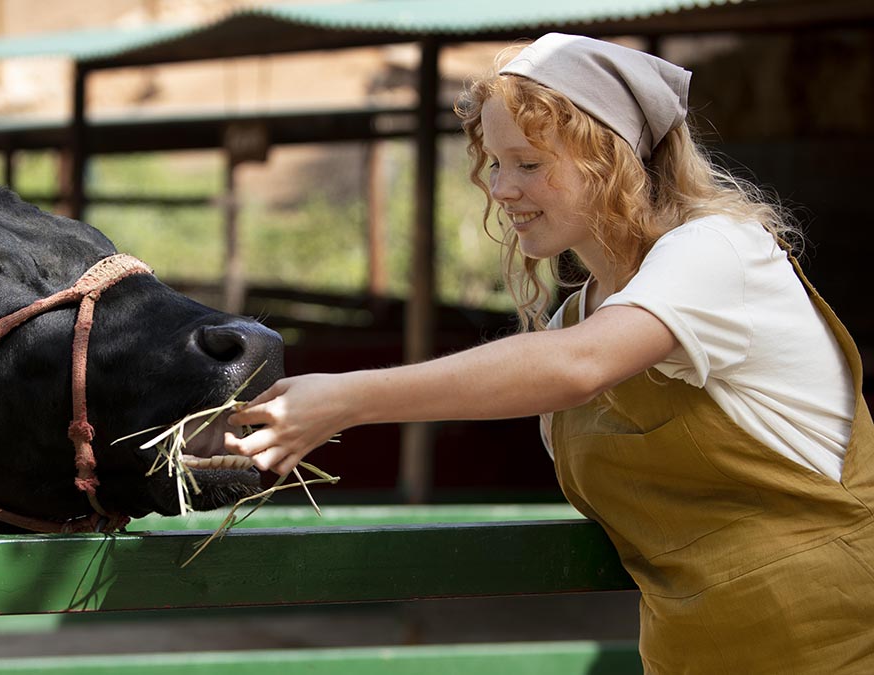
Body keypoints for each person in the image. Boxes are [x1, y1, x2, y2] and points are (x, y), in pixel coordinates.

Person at [224, 33, 874, 672]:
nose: (502, 189)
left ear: (613, 160)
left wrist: (344, 398)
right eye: (496, 164)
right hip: (689, 653)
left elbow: (576, 364)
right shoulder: (578, 315)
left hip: (830, 638)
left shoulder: (718, 251)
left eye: (529, 164)